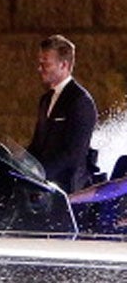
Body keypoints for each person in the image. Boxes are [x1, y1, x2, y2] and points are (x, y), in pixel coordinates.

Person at [26, 34, 97, 193]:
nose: (39, 69)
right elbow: (37, 145)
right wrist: (20, 163)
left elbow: (73, 154)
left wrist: (39, 174)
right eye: (40, 63)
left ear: (64, 65)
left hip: (68, 190)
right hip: (42, 186)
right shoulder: (45, 100)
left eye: (45, 64)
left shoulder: (80, 101)